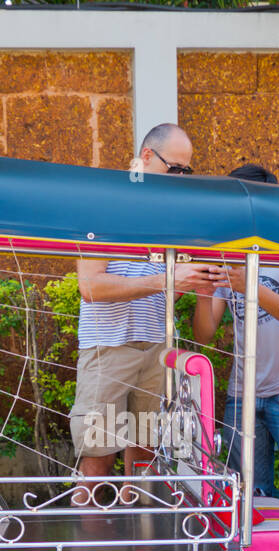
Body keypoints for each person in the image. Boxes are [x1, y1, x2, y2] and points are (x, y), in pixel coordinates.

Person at [70, 123, 217, 503]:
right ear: (147, 157)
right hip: (109, 349)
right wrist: (167, 280)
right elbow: (90, 287)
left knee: (145, 469)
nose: (182, 179)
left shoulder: (174, 218)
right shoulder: (105, 205)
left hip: (157, 351)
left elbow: (171, 286)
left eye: (188, 171)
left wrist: (199, 281)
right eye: (177, 169)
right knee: (96, 468)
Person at [193, 163, 279, 503]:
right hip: (243, 395)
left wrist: (249, 284)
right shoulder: (228, 252)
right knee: (245, 496)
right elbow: (204, 335)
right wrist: (203, 287)